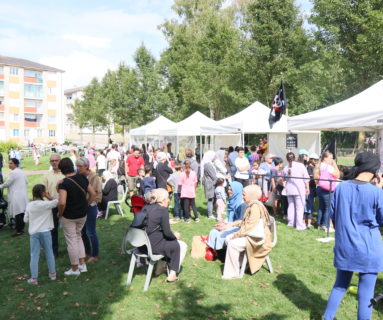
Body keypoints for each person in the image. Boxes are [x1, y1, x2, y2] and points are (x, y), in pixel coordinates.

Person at [323, 152, 383, 320]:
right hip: (369, 248)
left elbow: (334, 217)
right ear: (375, 170)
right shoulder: (376, 193)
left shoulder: (341, 187)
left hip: (345, 245)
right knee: (366, 293)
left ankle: (327, 317)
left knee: (340, 286)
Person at [220, 184, 272, 279]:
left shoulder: (255, 207)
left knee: (232, 243)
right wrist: (232, 224)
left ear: (251, 195)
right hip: (252, 235)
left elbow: (249, 226)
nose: (242, 197)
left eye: (244, 195)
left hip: (257, 239)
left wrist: (236, 235)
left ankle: (233, 273)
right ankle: (239, 264)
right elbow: (245, 222)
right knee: (228, 238)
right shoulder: (252, 205)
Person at [57, 158, 96, 276]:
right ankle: (82, 264)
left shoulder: (64, 183)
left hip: (69, 216)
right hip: (82, 214)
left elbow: (62, 202)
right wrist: (86, 204)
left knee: (72, 241)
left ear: (62, 169)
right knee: (78, 237)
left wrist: (60, 213)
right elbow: (93, 194)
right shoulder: (82, 177)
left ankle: (74, 269)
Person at [145, 188, 188, 282]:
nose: (169, 200)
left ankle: (159, 269)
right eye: (168, 198)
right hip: (153, 247)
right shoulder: (163, 210)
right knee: (179, 245)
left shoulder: (146, 207)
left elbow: (151, 222)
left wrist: (165, 222)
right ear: (163, 200)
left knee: (168, 243)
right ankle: (172, 274)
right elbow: (167, 233)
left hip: (142, 245)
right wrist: (175, 236)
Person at [24, 184, 58, 285]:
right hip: (46, 232)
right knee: (49, 253)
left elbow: (25, 219)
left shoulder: (29, 205)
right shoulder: (47, 204)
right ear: (43, 193)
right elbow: (57, 201)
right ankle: (53, 274)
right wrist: (48, 196)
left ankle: (34, 278)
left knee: (34, 255)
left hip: (34, 233)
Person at [76, 157, 102, 263]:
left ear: (86, 166)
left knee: (90, 232)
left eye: (80, 166)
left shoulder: (94, 177)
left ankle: (95, 255)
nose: (78, 168)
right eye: (77, 166)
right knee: (82, 232)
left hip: (91, 207)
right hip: (81, 207)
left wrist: (88, 202)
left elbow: (97, 193)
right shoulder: (78, 176)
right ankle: (87, 251)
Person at [0, 158, 28, 236]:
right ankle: (21, 229)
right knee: (21, 213)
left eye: (11, 163)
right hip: (22, 194)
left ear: (15, 164)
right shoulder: (21, 171)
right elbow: (26, 181)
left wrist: (0, 186)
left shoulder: (13, 173)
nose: (9, 165)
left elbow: (7, 184)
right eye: (9, 163)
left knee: (18, 213)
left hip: (16, 195)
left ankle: (19, 231)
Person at [43, 154, 64, 257]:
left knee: (70, 228)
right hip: (53, 205)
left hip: (66, 205)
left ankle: (74, 250)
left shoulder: (65, 174)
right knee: (53, 229)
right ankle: (54, 251)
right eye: (52, 161)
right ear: (50, 162)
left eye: (56, 160)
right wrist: (53, 200)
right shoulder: (47, 175)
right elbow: (44, 192)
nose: (54, 162)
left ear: (60, 161)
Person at [283, 152, 309, 230]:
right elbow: (306, 177)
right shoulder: (300, 166)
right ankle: (299, 225)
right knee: (299, 207)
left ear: (287, 159)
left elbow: (284, 178)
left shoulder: (286, 167)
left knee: (291, 206)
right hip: (298, 189)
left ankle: (291, 222)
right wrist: (307, 187)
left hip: (289, 189)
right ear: (294, 158)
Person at [315, 151, 340, 231]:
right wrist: (335, 165)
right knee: (328, 208)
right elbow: (338, 175)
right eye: (331, 158)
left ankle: (319, 224)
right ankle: (325, 226)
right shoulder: (328, 167)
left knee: (321, 207)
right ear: (325, 158)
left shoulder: (318, 165)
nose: (332, 160)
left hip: (319, 188)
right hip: (327, 189)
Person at [305, 153, 319, 228]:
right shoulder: (309, 168)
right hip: (310, 187)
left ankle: (310, 218)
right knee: (309, 204)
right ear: (311, 160)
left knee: (312, 203)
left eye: (317, 159)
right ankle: (308, 219)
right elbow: (311, 176)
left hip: (313, 187)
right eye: (315, 159)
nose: (316, 161)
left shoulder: (314, 167)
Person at [201, 151, 217, 219]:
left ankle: (211, 212)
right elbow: (213, 175)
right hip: (210, 183)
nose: (214, 157)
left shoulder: (208, 163)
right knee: (210, 199)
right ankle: (210, 214)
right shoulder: (208, 164)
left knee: (212, 199)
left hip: (210, 183)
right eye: (213, 156)